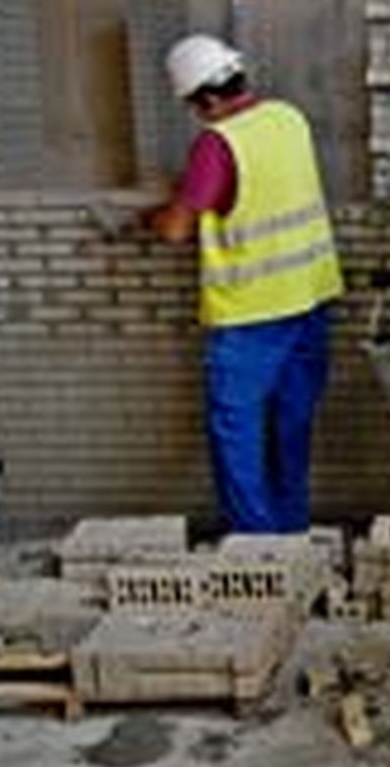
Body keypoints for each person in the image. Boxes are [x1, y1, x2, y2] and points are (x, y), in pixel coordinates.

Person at [145, 34, 343, 534]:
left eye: (194, 106)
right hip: (311, 299)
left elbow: (175, 229)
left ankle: (257, 546)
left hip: (252, 315)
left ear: (205, 99)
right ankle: (292, 532)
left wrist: (151, 215)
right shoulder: (288, 118)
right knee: (291, 427)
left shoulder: (217, 144)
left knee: (237, 436)